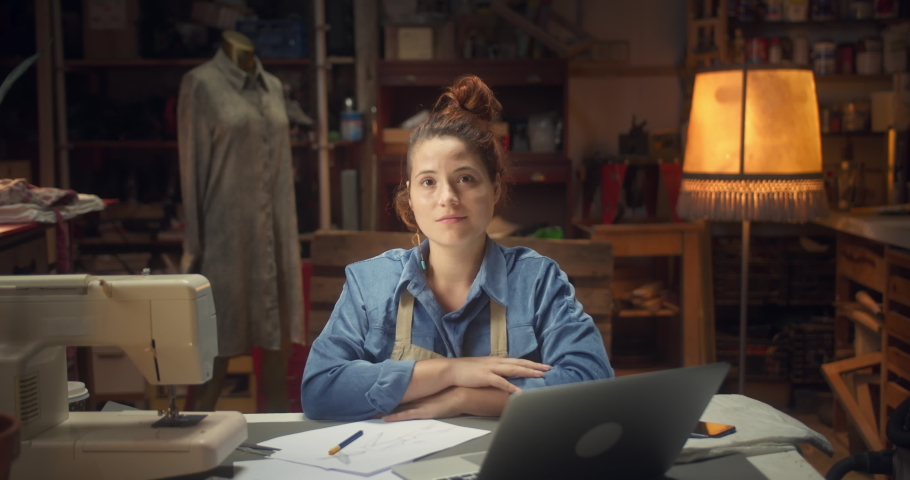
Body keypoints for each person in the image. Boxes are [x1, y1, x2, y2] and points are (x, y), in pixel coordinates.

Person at [301, 75, 612, 422]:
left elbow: (592, 382)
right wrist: (451, 372)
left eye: (465, 178)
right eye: (428, 182)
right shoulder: (369, 283)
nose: (448, 198)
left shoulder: (537, 281)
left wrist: (464, 398)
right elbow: (320, 389)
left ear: (494, 189)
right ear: (411, 197)